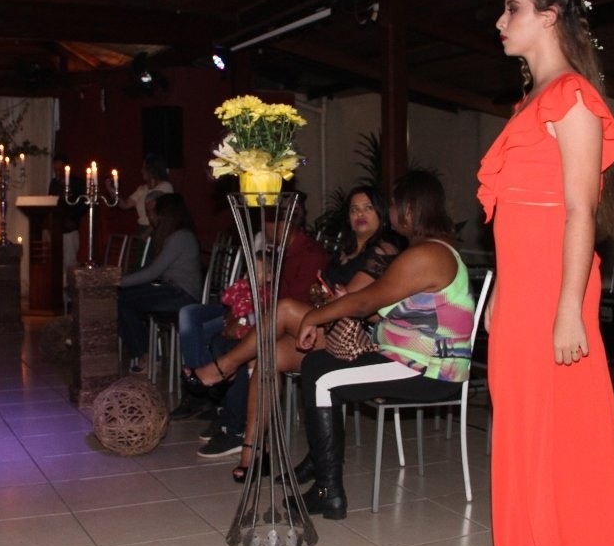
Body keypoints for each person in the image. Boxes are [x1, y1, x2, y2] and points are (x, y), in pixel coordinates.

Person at [476, 0, 614, 546]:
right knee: (525, 437)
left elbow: (581, 211)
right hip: (524, 294)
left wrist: (568, 310)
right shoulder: (531, 102)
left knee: (559, 440)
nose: (500, 22)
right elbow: (516, 221)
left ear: (550, 16)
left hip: (556, 293)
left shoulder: (573, 97)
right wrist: (502, 295)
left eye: (512, 9)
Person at [292, 170, 476, 519]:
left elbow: (364, 302)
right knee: (316, 365)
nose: (390, 211)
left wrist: (312, 317)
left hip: (428, 370)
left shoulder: (428, 255)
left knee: (320, 376)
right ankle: (319, 470)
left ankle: (328, 491)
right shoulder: (427, 251)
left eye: (393, 204)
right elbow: (387, 311)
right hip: (411, 360)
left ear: (410, 209)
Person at [188, 185, 402, 480]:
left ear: (381, 212)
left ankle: (223, 367)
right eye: (354, 209)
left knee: (285, 308)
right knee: (266, 356)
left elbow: (352, 301)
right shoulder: (346, 252)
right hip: (330, 330)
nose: (360, 215)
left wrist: (326, 299)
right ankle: (253, 451)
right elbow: (328, 296)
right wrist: (321, 296)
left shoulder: (384, 249)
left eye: (367, 208)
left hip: (360, 338)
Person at [181, 199, 331, 462]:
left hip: (296, 327)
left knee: (250, 351)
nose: (264, 228)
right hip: (266, 318)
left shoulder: (309, 254)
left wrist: (247, 323)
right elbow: (252, 291)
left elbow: (293, 307)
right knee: (212, 333)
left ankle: (236, 425)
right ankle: (226, 413)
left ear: (281, 223)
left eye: (267, 221)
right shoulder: (278, 249)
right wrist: (236, 317)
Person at [118, 193, 202, 374]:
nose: (152, 216)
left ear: (166, 215)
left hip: (182, 296)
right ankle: (146, 353)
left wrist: (119, 281)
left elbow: (153, 272)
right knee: (125, 296)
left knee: (124, 299)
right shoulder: (175, 235)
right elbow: (153, 270)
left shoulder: (180, 236)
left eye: (155, 212)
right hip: (173, 291)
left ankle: (148, 355)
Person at [117, 154, 174, 237]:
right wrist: (114, 193)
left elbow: (163, 214)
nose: (142, 171)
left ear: (152, 170)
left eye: (144, 168)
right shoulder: (142, 189)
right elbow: (125, 205)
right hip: (142, 229)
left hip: (156, 230)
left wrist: (147, 232)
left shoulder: (165, 186)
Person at [48, 153, 87, 270]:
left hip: (69, 230)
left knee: (69, 263)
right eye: (55, 169)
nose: (57, 172)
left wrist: (71, 217)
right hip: (56, 229)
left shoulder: (76, 183)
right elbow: (51, 202)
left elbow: (85, 203)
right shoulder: (54, 183)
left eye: (59, 169)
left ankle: (70, 282)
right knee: (56, 264)